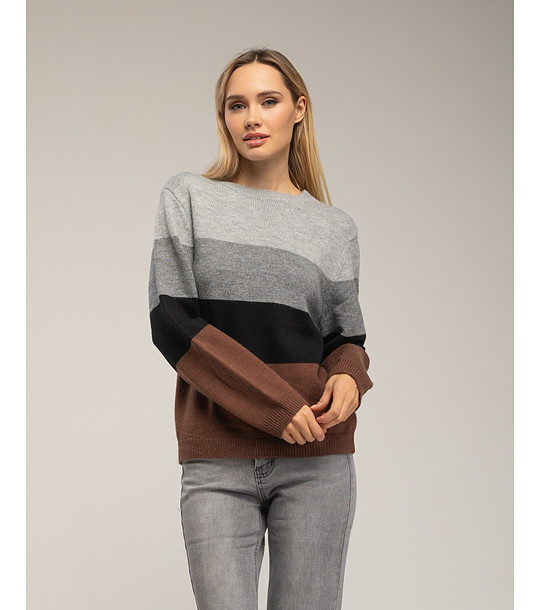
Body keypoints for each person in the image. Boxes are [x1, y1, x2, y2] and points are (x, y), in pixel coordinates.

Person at [148, 47, 374, 610]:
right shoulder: (189, 197)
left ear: (299, 109)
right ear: (223, 117)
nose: (251, 118)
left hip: (317, 458)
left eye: (267, 101)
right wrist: (277, 405)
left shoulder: (333, 228)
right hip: (218, 458)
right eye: (236, 105)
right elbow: (171, 321)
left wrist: (349, 378)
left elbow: (345, 338)